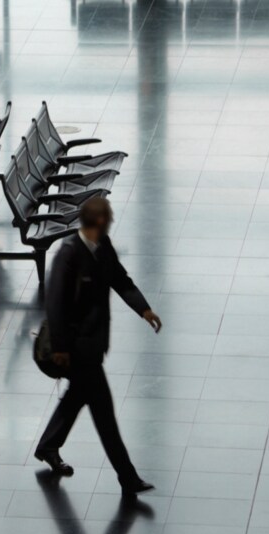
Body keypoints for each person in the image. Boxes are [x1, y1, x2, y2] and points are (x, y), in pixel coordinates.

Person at [35, 196, 162, 495]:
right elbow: (55, 306)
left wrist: (144, 309)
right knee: (104, 414)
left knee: (76, 397)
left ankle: (48, 446)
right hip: (77, 350)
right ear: (98, 223)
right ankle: (127, 477)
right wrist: (62, 348)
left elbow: (121, 280)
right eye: (108, 218)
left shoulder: (102, 247)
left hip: (92, 345)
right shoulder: (68, 255)